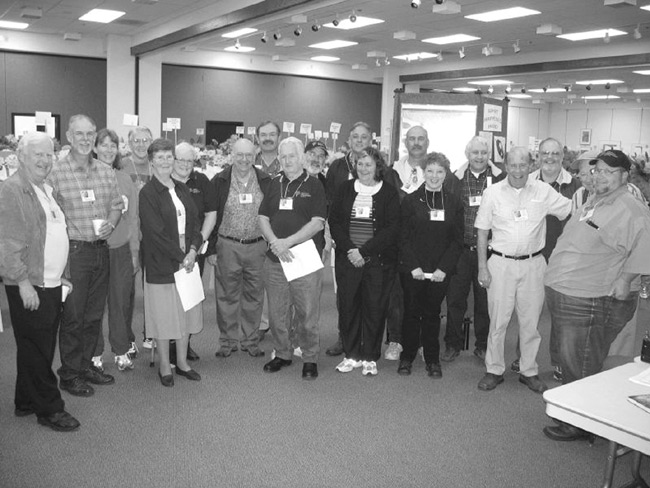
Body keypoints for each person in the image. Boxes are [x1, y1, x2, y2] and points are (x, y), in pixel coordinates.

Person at [543, 150, 650, 441]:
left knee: (581, 360)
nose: (600, 175)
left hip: (589, 297)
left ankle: (581, 423)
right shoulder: (597, 199)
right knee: (571, 358)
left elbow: (645, 247)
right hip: (568, 292)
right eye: (597, 170)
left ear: (625, 176)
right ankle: (575, 411)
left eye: (608, 171)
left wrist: (626, 279)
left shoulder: (630, 207)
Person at [0, 131, 80, 432]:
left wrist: (61, 275)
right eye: (39, 154)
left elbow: (54, 235)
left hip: (50, 282)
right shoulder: (12, 189)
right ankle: (50, 408)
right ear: (21, 156)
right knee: (37, 346)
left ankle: (25, 400)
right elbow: (6, 243)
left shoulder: (46, 188)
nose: (45, 160)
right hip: (30, 283)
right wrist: (22, 283)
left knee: (36, 346)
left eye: (49, 155)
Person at [474, 146, 571, 393]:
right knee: (498, 321)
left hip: (534, 265)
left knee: (530, 322)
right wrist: (482, 267)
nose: (518, 170)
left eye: (522, 165)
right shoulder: (492, 193)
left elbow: (571, 210)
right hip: (500, 264)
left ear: (531, 166)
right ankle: (494, 370)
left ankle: (529, 370)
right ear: (506, 166)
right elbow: (482, 231)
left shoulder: (543, 191)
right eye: (513, 165)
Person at [48, 114, 122, 397]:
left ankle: (86, 365)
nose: (85, 139)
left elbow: (116, 205)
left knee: (93, 315)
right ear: (68, 136)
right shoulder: (56, 173)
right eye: (79, 134)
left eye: (90, 134)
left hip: (100, 250)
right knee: (73, 317)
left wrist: (112, 222)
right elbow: (48, 217)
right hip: (73, 252)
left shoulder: (105, 171)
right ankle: (69, 374)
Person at [259, 137, 327, 380]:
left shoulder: (315, 184)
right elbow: (263, 218)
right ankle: (282, 353)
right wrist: (274, 242)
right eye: (283, 156)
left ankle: (309, 357)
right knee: (278, 314)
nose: (287, 160)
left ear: (302, 158)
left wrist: (287, 242)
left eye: (292, 156)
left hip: (304, 259)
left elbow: (318, 223)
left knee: (307, 314)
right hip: (275, 258)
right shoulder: (273, 183)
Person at [328, 147, 399, 376]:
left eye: (368, 164)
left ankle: (369, 355)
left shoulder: (388, 192)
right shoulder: (345, 189)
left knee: (374, 308)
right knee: (348, 307)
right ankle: (351, 354)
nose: (364, 168)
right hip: (348, 260)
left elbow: (391, 229)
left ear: (378, 167)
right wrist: (351, 249)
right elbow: (335, 222)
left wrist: (364, 252)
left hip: (377, 262)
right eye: (360, 164)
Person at [139, 138, 203, 387]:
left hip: (187, 258)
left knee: (186, 312)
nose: (166, 161)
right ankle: (165, 365)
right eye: (161, 157)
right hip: (162, 262)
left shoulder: (182, 189)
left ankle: (183, 363)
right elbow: (154, 233)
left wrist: (194, 250)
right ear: (152, 161)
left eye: (169, 157)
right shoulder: (148, 193)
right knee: (165, 316)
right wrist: (182, 256)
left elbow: (195, 222)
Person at [397, 152, 464, 378]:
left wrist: (443, 269)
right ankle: (407, 357)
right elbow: (403, 238)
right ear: (422, 172)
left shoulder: (453, 202)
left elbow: (457, 240)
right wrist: (413, 266)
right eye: (430, 171)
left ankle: (433, 359)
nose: (434, 176)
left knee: (433, 314)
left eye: (439, 171)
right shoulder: (410, 200)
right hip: (414, 270)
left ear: (446, 174)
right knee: (411, 314)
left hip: (439, 272)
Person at [523, 137, 581, 382]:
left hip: (562, 260)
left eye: (555, 153)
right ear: (538, 155)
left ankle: (558, 361)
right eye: (545, 153)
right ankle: (524, 358)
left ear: (562, 156)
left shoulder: (574, 185)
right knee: (527, 312)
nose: (550, 157)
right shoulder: (525, 181)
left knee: (559, 315)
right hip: (530, 255)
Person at [207, 138, 270, 358]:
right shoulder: (219, 180)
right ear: (232, 156)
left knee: (254, 295)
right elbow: (212, 215)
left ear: (255, 156)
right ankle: (227, 341)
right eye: (240, 155)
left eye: (249, 155)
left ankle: (251, 340)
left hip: (257, 246)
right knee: (226, 296)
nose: (244, 159)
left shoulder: (265, 180)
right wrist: (212, 249)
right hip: (227, 245)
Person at [442, 136, 503, 363]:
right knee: (455, 300)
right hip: (461, 249)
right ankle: (452, 344)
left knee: (484, 301)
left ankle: (482, 345)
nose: (479, 157)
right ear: (468, 154)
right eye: (475, 152)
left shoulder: (499, 179)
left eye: (483, 153)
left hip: (489, 251)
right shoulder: (454, 179)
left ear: (489, 156)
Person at [324, 121, 373, 357]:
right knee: (344, 295)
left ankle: (365, 339)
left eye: (364, 137)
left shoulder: (379, 166)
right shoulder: (336, 167)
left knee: (369, 293)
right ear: (349, 140)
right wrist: (335, 237)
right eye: (355, 137)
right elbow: (331, 205)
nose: (359, 141)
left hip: (371, 244)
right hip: (343, 243)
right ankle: (344, 337)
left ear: (370, 140)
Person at [92, 128, 140, 372]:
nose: (109, 149)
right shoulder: (86, 177)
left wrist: (134, 253)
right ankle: (95, 353)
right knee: (95, 304)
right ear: (94, 147)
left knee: (120, 303)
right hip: (94, 250)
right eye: (104, 144)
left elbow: (133, 219)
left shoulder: (125, 180)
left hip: (120, 249)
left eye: (113, 145)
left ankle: (121, 350)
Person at [171, 142, 217, 362]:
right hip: (167, 251)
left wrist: (200, 242)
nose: (185, 165)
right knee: (169, 300)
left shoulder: (201, 181)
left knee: (189, 299)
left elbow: (211, 213)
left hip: (194, 250)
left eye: (190, 161)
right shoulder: (164, 181)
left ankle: (184, 344)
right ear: (172, 160)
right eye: (181, 160)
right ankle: (167, 346)